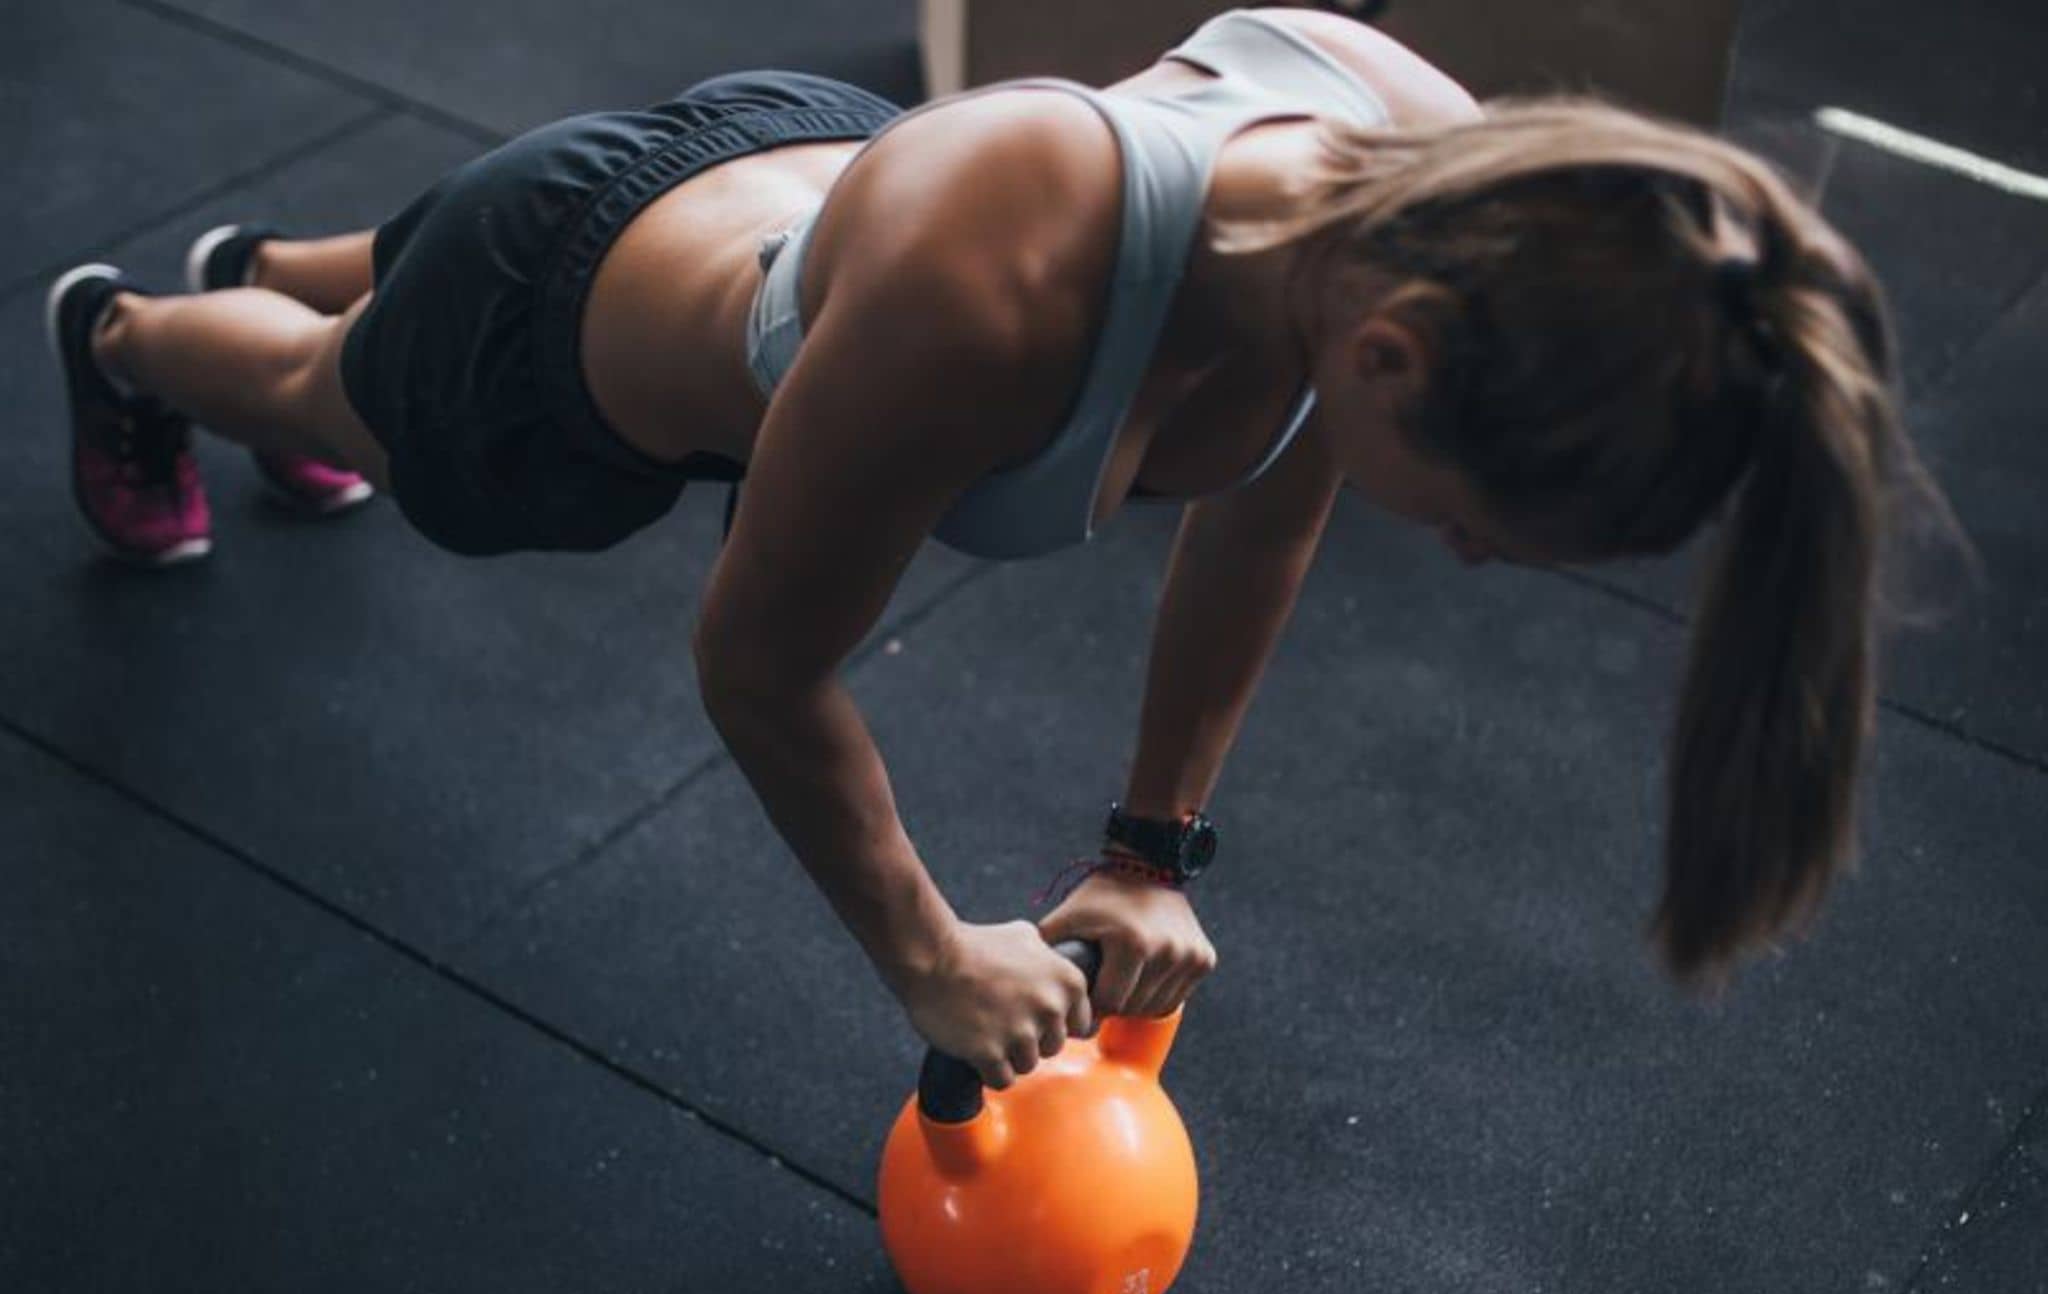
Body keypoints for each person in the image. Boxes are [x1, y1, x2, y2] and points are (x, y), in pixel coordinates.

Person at [44, 8, 1959, 1087]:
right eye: (1476, 527)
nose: (1457, 562)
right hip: (571, 351)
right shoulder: (1001, 305)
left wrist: (1147, 851)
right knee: (325, 389)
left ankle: (273, 269)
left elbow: (1265, 515)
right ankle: (129, 340)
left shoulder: (1423, 183)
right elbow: (755, 661)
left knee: (443, 241)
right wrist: (927, 953)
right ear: (1401, 364)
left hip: (773, 189)